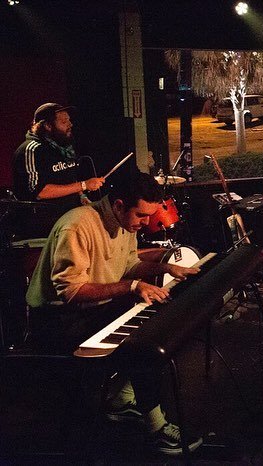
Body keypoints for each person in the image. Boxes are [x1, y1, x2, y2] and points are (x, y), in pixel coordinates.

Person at [24, 170, 202, 455]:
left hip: (92, 310)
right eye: (141, 216)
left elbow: (129, 264)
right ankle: (155, 427)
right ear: (119, 205)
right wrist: (132, 286)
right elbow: (71, 293)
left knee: (153, 328)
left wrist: (165, 267)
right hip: (58, 321)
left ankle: (119, 400)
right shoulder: (77, 225)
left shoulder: (123, 223)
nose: (146, 224)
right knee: (141, 346)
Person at [12, 103, 105, 237]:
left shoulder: (63, 147)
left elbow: (68, 177)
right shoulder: (31, 150)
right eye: (64, 122)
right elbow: (39, 191)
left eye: (69, 120)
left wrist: (81, 196)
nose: (70, 124)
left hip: (69, 219)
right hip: (43, 226)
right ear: (48, 126)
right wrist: (84, 185)